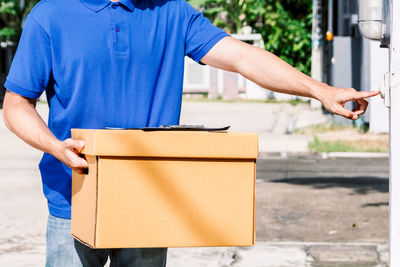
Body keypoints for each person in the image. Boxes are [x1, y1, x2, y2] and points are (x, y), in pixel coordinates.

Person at [2, 0, 379, 266]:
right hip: (73, 196)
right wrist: (54, 146)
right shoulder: (50, 15)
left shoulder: (172, 12)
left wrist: (320, 90)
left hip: (150, 195)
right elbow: (16, 103)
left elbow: (243, 57)